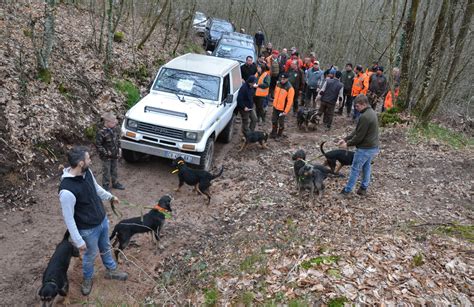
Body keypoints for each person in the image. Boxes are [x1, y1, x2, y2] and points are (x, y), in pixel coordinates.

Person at [59, 146, 128, 296]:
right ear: (81, 163)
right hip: (87, 229)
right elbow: (68, 218)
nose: (91, 160)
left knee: (106, 246)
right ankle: (87, 279)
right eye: (88, 158)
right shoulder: (66, 191)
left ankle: (111, 270)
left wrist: (110, 197)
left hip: (102, 220)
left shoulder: (87, 172)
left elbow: (96, 188)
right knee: (90, 255)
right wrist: (78, 240)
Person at [338, 94, 379, 197]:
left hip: (365, 148)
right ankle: (363, 188)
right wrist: (345, 139)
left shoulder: (365, 116)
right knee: (366, 167)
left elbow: (359, 137)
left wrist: (347, 144)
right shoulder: (371, 112)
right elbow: (357, 131)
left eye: (357, 106)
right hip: (372, 147)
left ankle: (347, 191)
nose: (356, 108)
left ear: (364, 104)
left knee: (355, 169)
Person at [96, 112, 125, 191]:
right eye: (113, 122)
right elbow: (98, 145)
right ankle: (105, 185)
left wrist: (119, 149)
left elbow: (118, 140)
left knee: (114, 169)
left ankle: (115, 183)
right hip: (106, 157)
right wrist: (105, 152)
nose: (115, 123)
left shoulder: (115, 129)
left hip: (115, 154)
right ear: (107, 122)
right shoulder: (101, 132)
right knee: (106, 171)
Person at [270, 73, 294, 139]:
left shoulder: (290, 88)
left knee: (281, 122)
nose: (282, 80)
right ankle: (273, 132)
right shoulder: (278, 84)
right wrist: (274, 103)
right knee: (274, 121)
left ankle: (279, 135)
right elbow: (275, 93)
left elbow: (290, 101)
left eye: (284, 79)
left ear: (287, 79)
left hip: (282, 109)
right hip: (275, 107)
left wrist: (286, 111)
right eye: (281, 78)